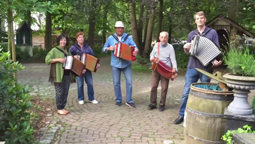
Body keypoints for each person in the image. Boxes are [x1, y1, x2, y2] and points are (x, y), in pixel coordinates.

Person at [174, 11, 222, 124]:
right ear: (195, 21)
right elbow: (188, 52)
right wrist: (185, 48)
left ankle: (201, 116)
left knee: (204, 92)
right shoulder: (192, 34)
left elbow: (216, 50)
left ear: (205, 19)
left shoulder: (212, 32)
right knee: (186, 91)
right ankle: (182, 115)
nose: (199, 20)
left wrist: (217, 62)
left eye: (201, 18)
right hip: (192, 67)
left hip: (207, 68)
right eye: (197, 18)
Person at [102, 21, 139, 108]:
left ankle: (129, 100)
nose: (120, 30)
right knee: (116, 83)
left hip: (126, 64)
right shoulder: (111, 38)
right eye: (118, 28)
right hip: (115, 64)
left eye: (121, 28)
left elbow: (135, 46)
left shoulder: (128, 37)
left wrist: (136, 50)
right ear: (115, 29)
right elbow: (104, 48)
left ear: (123, 29)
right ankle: (118, 100)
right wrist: (108, 48)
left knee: (129, 82)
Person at [45, 34, 76, 115]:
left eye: (65, 40)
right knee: (59, 92)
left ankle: (63, 107)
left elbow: (70, 61)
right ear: (59, 41)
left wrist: (74, 58)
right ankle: (59, 108)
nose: (63, 41)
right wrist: (58, 59)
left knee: (65, 92)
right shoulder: (54, 50)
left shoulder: (68, 51)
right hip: (58, 74)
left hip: (67, 74)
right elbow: (47, 60)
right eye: (62, 40)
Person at [148, 31, 178, 112]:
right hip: (156, 68)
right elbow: (151, 55)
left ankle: (162, 104)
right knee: (153, 86)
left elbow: (173, 60)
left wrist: (175, 70)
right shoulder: (156, 45)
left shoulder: (170, 47)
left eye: (165, 37)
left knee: (164, 88)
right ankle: (153, 103)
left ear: (167, 38)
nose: (163, 39)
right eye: (162, 37)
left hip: (165, 70)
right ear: (159, 38)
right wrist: (151, 58)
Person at [69, 32, 100, 105]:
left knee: (90, 83)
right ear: (77, 39)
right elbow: (68, 56)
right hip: (78, 68)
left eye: (82, 37)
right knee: (80, 84)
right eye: (79, 37)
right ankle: (81, 98)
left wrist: (97, 64)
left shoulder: (88, 47)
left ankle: (91, 98)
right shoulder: (73, 47)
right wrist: (73, 57)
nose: (81, 39)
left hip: (87, 68)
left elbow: (93, 56)